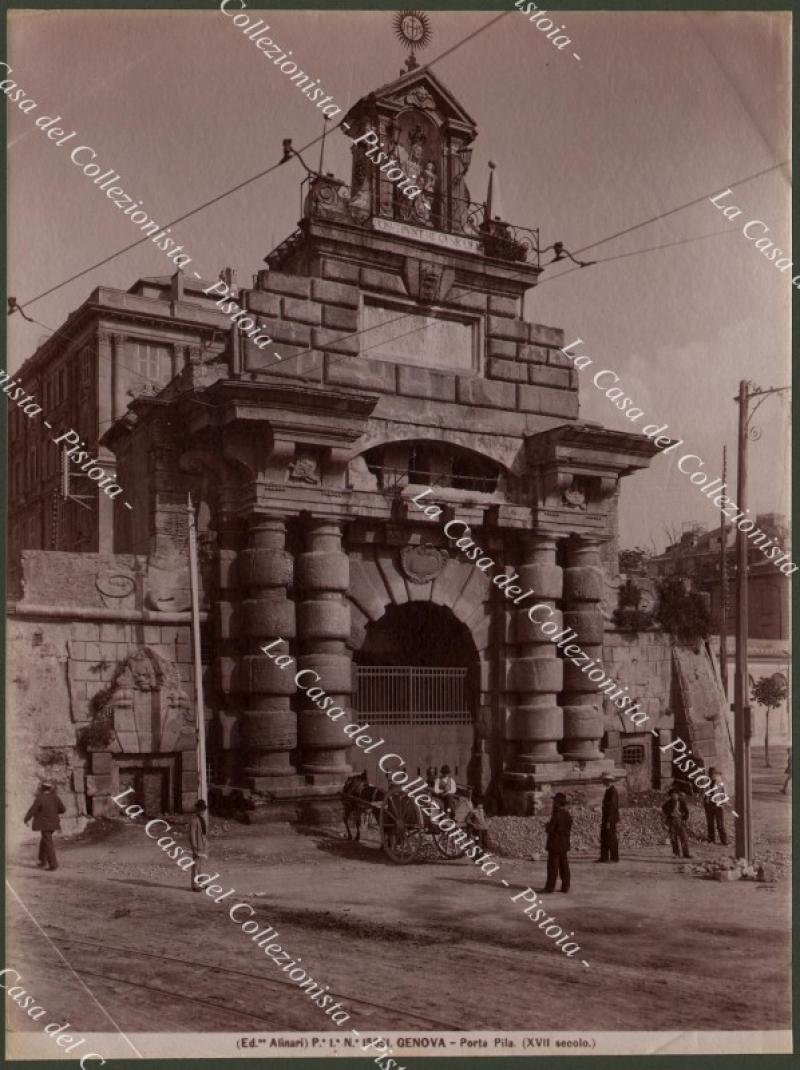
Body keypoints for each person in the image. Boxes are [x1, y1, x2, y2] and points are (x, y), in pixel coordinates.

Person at [24, 781, 66, 872]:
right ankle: (42, 861)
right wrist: (53, 812)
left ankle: (53, 865)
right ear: (50, 789)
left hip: (45, 824)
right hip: (54, 823)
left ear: (42, 788)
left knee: (48, 843)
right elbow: (63, 809)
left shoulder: (40, 798)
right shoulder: (55, 797)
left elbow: (32, 810)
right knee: (45, 840)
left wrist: (26, 819)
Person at [543, 792, 572, 894]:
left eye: (555, 801)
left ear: (558, 803)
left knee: (552, 867)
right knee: (564, 866)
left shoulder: (556, 815)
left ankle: (550, 887)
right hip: (564, 844)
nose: (553, 803)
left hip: (554, 844)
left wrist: (546, 826)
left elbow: (550, 829)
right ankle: (566, 886)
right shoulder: (568, 815)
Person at [662, 785, 692, 859]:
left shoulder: (682, 802)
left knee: (684, 837)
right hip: (672, 821)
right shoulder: (668, 803)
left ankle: (686, 853)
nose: (674, 796)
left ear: (678, 795)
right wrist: (669, 814)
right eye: (673, 795)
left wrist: (685, 819)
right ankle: (676, 854)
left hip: (680, 821)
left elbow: (687, 812)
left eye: (676, 794)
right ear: (671, 796)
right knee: (673, 838)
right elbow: (664, 809)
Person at [596, 772, 620, 863]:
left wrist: (609, 821)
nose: (602, 782)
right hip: (606, 818)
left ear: (608, 781)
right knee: (604, 837)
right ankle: (604, 857)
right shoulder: (608, 790)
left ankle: (614, 858)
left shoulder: (613, 791)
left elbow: (612, 807)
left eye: (604, 780)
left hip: (610, 819)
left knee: (611, 838)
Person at [703, 767, 728, 844]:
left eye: (713, 774)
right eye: (710, 774)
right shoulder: (706, 782)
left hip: (718, 805)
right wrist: (705, 802)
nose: (711, 775)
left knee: (720, 824)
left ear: (715, 774)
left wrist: (723, 803)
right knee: (710, 823)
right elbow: (704, 793)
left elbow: (724, 793)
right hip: (709, 805)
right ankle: (711, 839)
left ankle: (724, 840)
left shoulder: (719, 782)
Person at [188, 799, 208, 892]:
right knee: (196, 865)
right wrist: (194, 847)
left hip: (203, 846)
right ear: (197, 810)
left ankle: (201, 883)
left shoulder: (202, 819)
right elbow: (192, 835)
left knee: (201, 865)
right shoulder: (194, 820)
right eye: (200, 809)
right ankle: (195, 885)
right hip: (197, 846)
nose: (202, 811)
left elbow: (203, 833)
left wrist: (206, 844)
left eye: (203, 809)